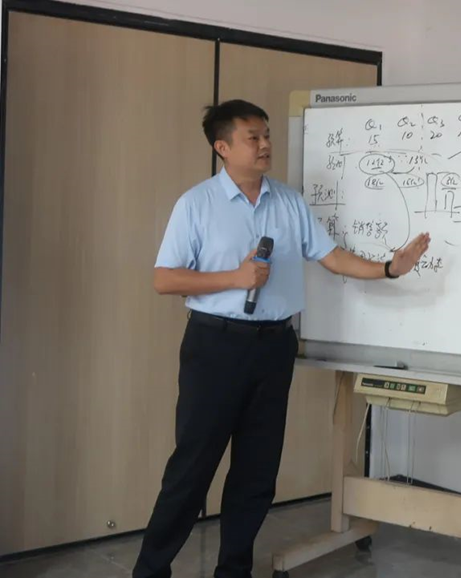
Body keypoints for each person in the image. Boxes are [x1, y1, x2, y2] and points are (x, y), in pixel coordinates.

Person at [133, 99, 430, 578]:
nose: (265, 144)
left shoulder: (288, 202)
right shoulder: (196, 204)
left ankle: (234, 570)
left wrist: (389, 269)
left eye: (267, 134)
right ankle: (150, 570)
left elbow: (331, 257)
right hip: (215, 346)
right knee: (192, 468)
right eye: (253, 137)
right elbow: (164, 279)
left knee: (257, 472)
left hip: (273, 347)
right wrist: (234, 278)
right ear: (223, 147)